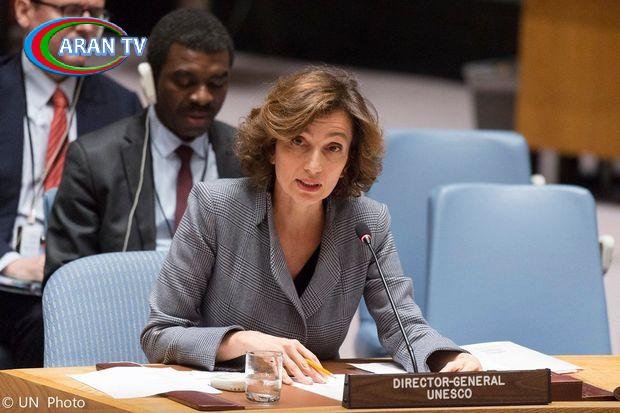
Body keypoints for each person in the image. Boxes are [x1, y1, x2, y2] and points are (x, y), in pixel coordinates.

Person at [141, 67, 481, 383]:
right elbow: (160, 334)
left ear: (348, 161)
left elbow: (401, 324)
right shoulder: (216, 208)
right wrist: (241, 341)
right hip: (227, 395)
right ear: (272, 148)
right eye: (298, 142)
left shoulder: (366, 224)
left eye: (333, 148)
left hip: (315, 396)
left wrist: (448, 358)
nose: (314, 166)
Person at [44, 8, 243, 281]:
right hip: (123, 302)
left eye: (216, 83)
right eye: (184, 82)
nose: (202, 97)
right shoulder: (94, 159)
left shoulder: (247, 156)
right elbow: (64, 280)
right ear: (150, 79)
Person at [0, 0, 141, 367]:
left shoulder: (122, 107)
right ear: (24, 11)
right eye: (72, 11)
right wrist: (9, 262)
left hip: (76, 288)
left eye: (96, 15)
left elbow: (127, 218)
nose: (87, 27)